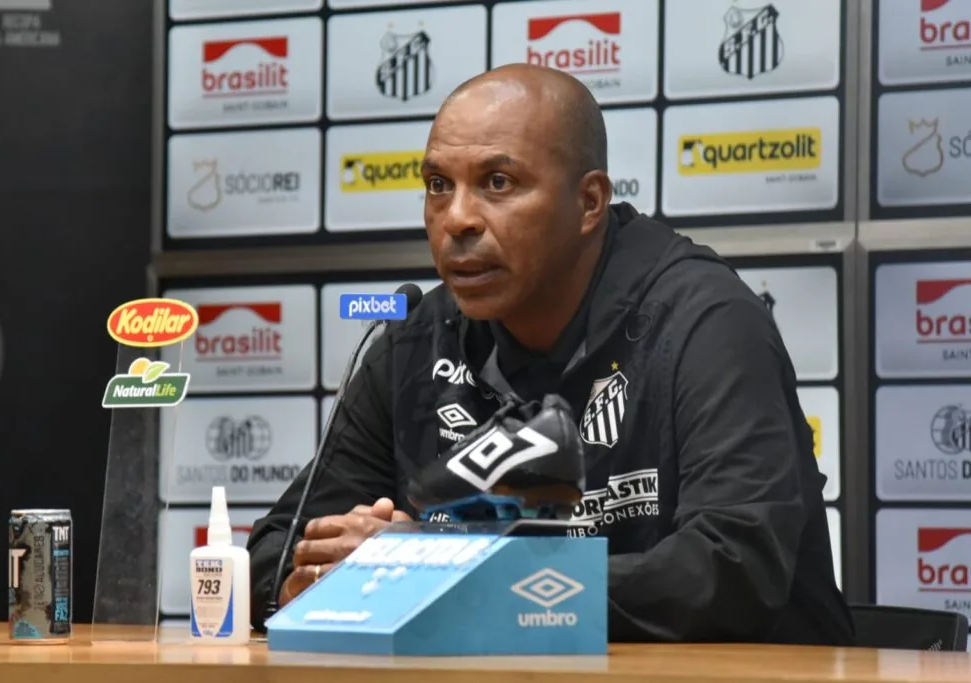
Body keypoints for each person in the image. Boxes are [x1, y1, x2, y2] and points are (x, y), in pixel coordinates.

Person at [247, 63, 855, 646]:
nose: (457, 219)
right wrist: (322, 573)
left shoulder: (705, 321)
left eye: (498, 183)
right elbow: (271, 553)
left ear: (589, 203)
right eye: (438, 186)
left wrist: (440, 573)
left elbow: (733, 571)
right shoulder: (416, 339)